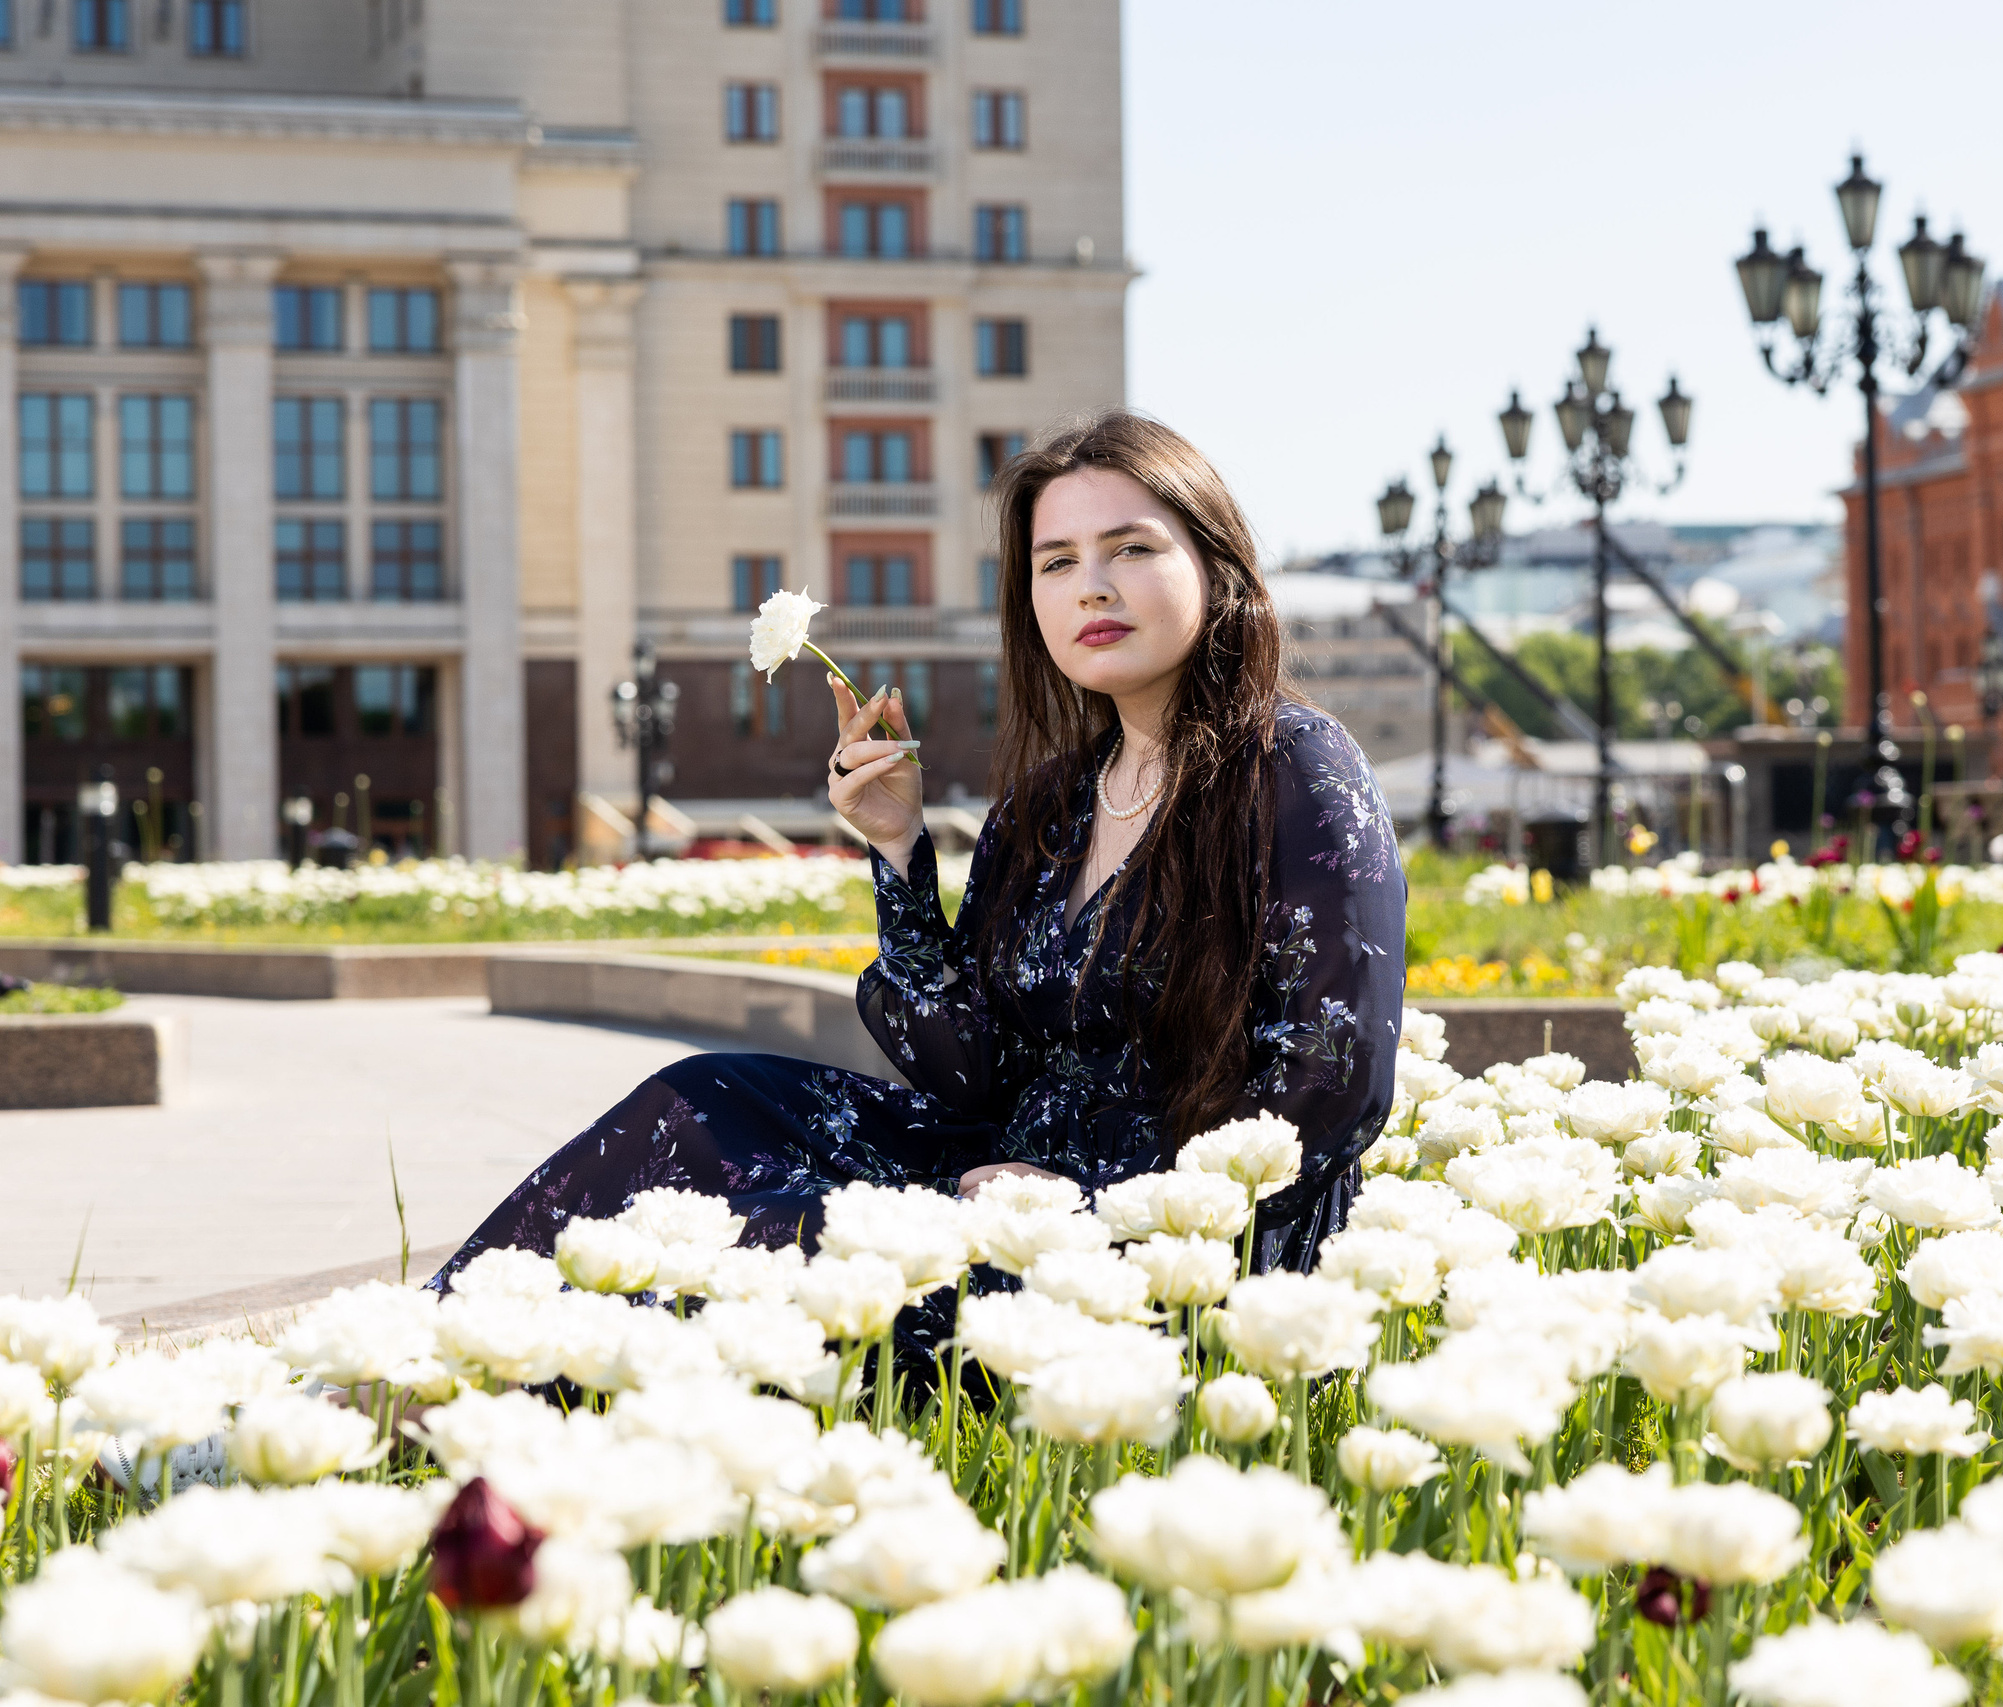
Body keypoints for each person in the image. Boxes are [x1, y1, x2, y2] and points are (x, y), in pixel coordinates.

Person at [433, 412, 1407, 1291]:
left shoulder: (1293, 769)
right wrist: (898, 847)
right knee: (701, 1099)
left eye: (1130, 548)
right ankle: (433, 1360)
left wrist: (1096, 1201)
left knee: (768, 1245)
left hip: (1170, 1244)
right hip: (997, 1179)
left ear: (1216, 568)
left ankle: (488, 1396)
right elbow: (970, 1071)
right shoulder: (1052, 801)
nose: (1092, 586)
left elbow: (1332, 1080)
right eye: (1055, 562)